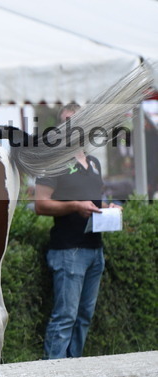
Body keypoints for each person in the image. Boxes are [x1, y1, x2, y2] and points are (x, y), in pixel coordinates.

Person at [35, 102, 115, 359]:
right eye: (66, 121)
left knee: (84, 317)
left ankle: (74, 368)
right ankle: (53, 371)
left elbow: (94, 201)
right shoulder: (54, 161)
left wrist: (110, 208)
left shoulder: (93, 162)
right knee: (65, 317)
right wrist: (74, 206)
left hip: (95, 250)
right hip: (68, 250)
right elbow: (40, 205)